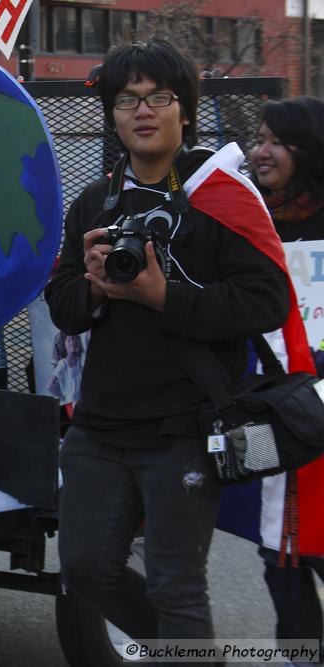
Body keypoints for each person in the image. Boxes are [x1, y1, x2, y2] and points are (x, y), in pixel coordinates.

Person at [44, 39, 292, 647]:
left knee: (175, 587)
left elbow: (267, 301)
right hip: (100, 427)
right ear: (112, 113)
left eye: (159, 96)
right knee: (85, 570)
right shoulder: (96, 202)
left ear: (185, 109)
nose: (143, 110)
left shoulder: (222, 198)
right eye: (127, 99)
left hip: (184, 429)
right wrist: (97, 287)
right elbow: (63, 304)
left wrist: (164, 298)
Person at [248, 95, 324, 665]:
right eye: (259, 139)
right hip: (279, 407)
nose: (261, 151)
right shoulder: (253, 220)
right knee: (280, 557)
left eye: (276, 141)